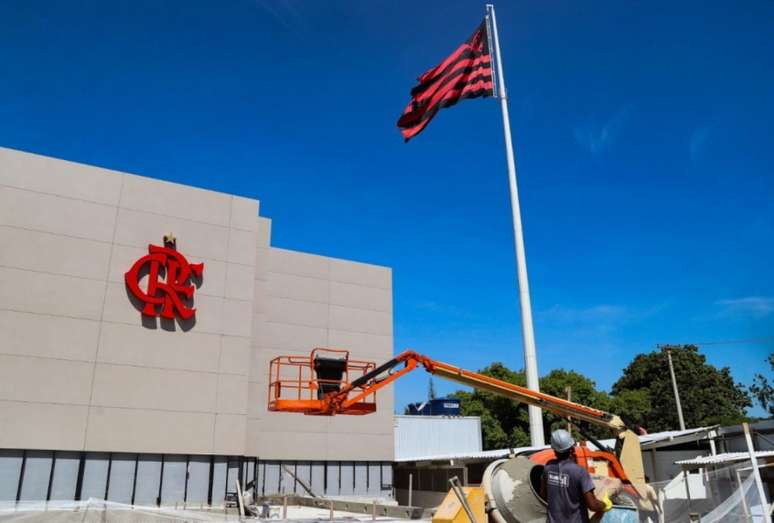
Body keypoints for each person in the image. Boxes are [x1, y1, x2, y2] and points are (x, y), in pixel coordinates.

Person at [540, 429, 613, 522]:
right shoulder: (580, 472)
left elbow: (543, 495)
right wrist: (605, 504)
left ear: (554, 450)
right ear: (572, 449)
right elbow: (592, 505)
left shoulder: (548, 467)